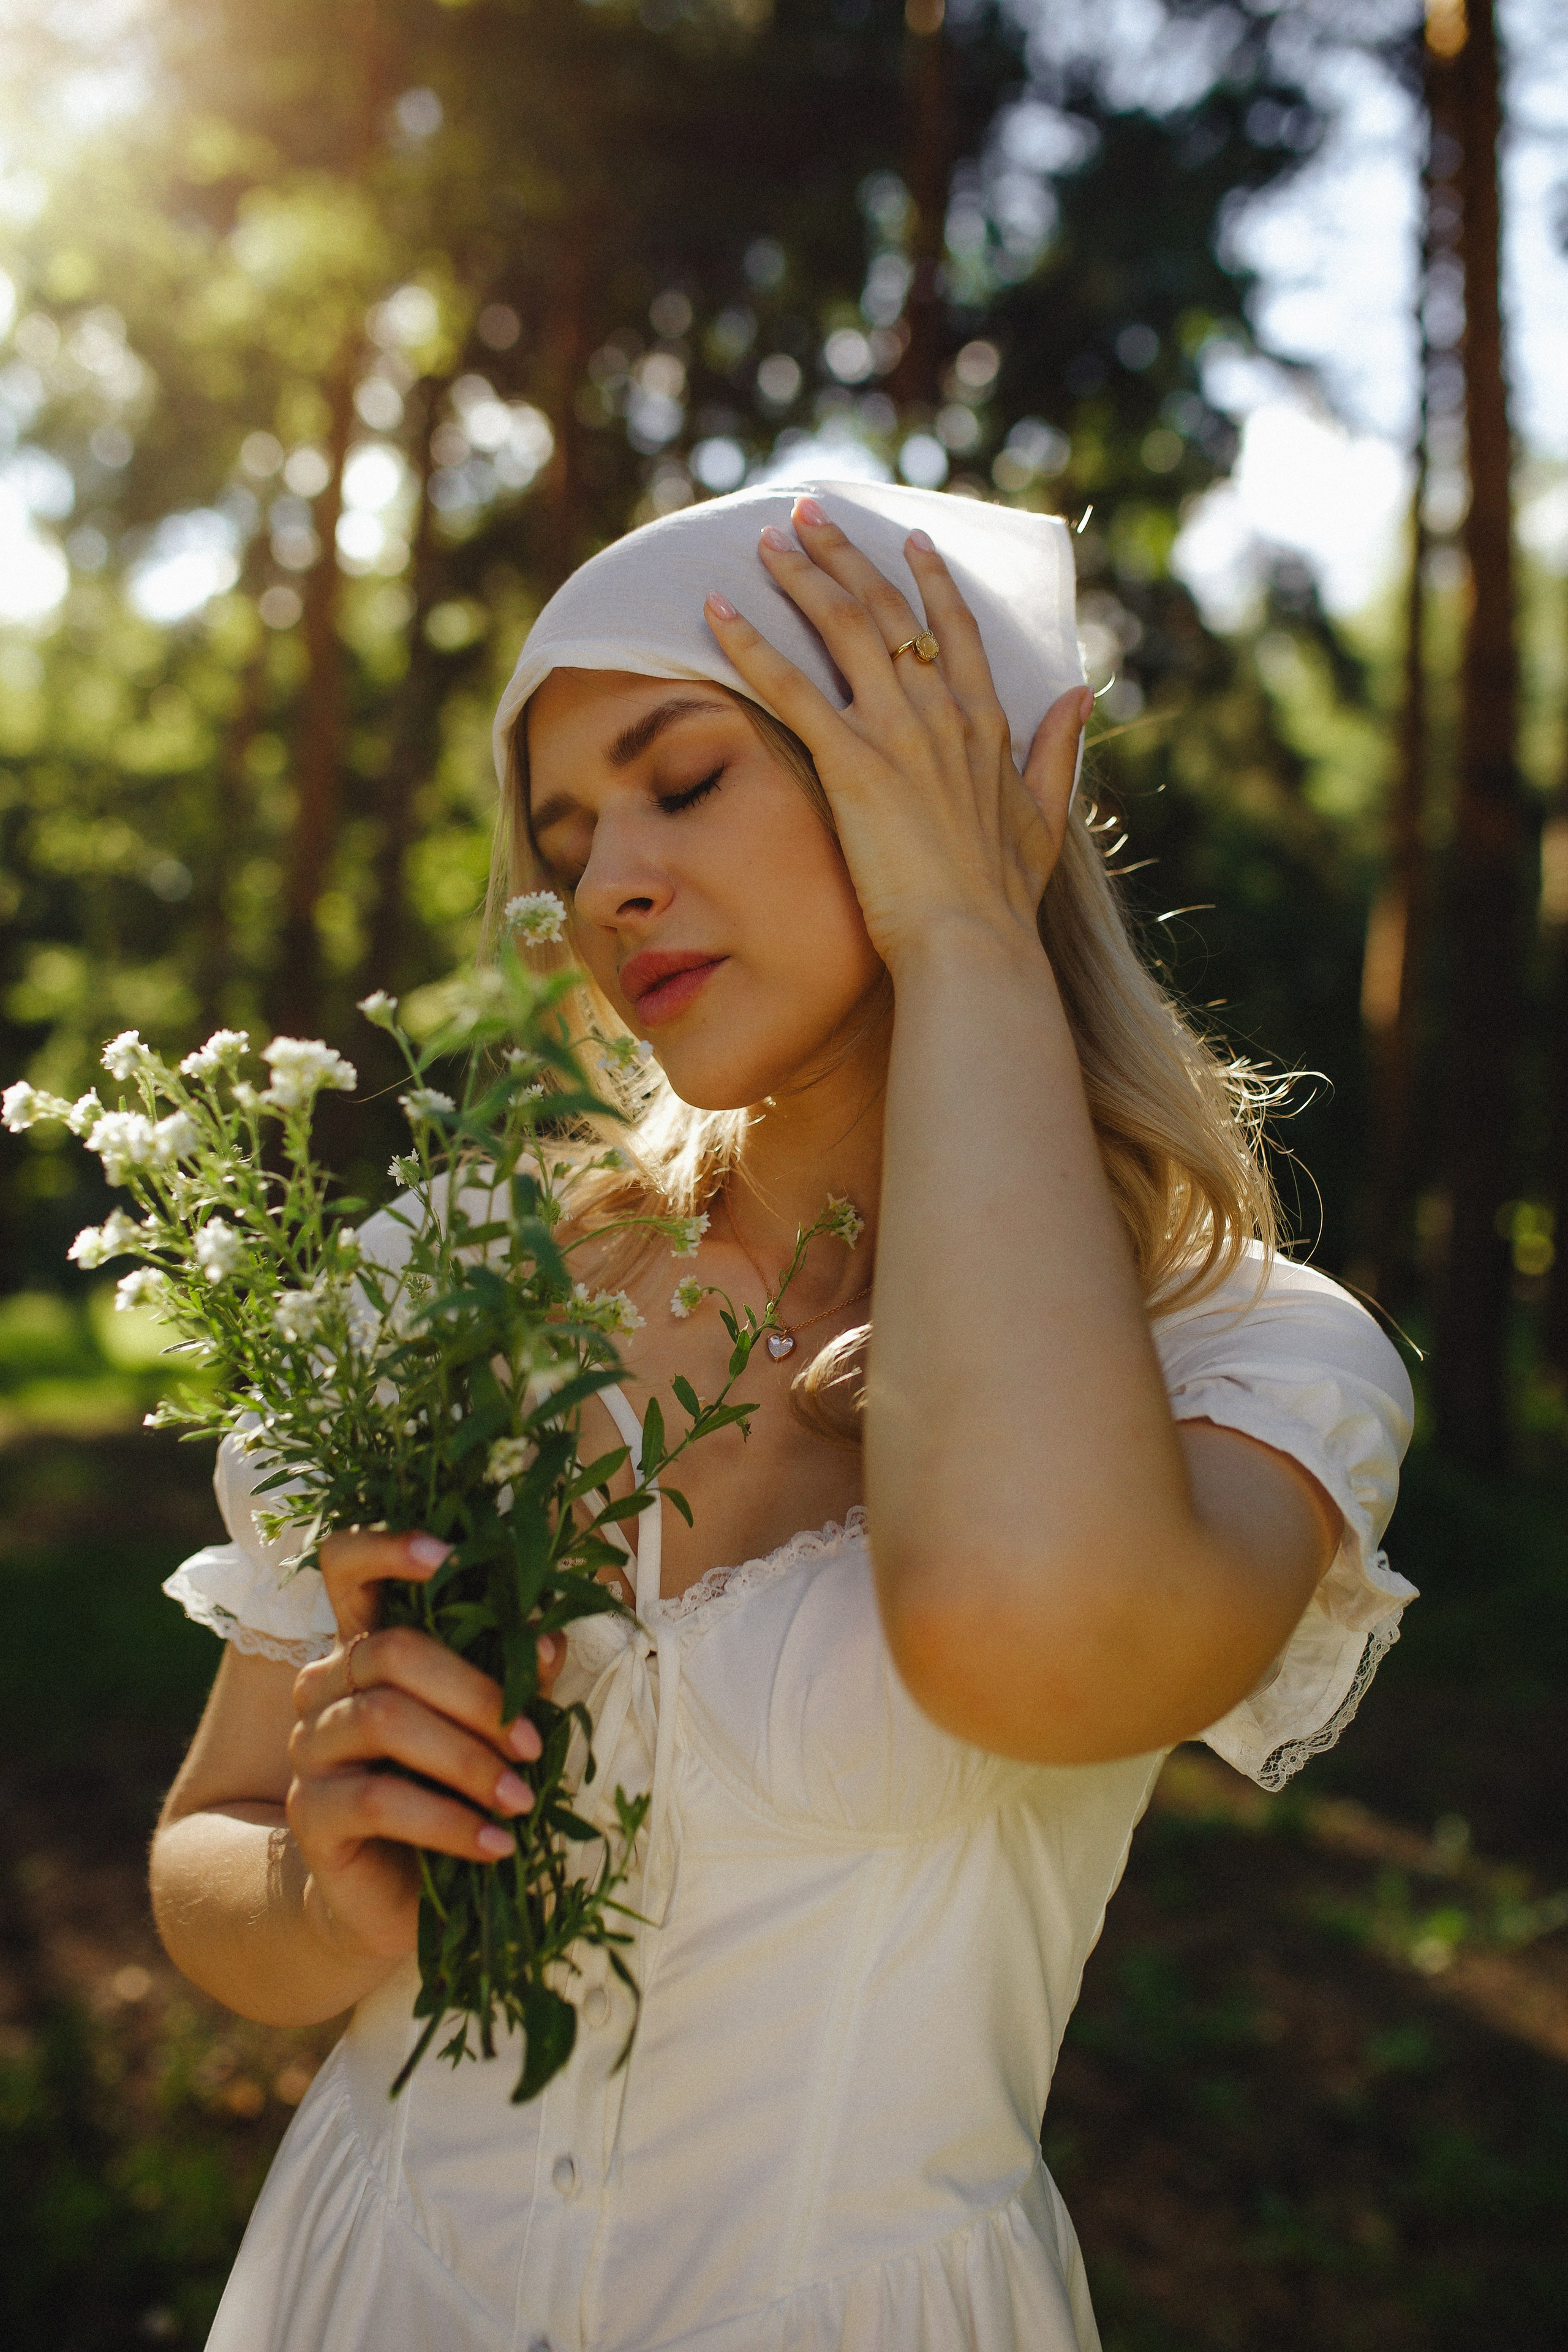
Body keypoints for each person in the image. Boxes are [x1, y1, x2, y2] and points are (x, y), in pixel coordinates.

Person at [151, 480, 1415, 2352]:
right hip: (366, 2285)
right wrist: (323, 1894)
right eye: (568, 836)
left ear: (962, 768)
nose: (601, 886)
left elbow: (1033, 1643)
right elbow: (211, 1851)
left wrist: (970, 932)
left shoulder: (1238, 1358)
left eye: (683, 778)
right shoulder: (451, 1278)